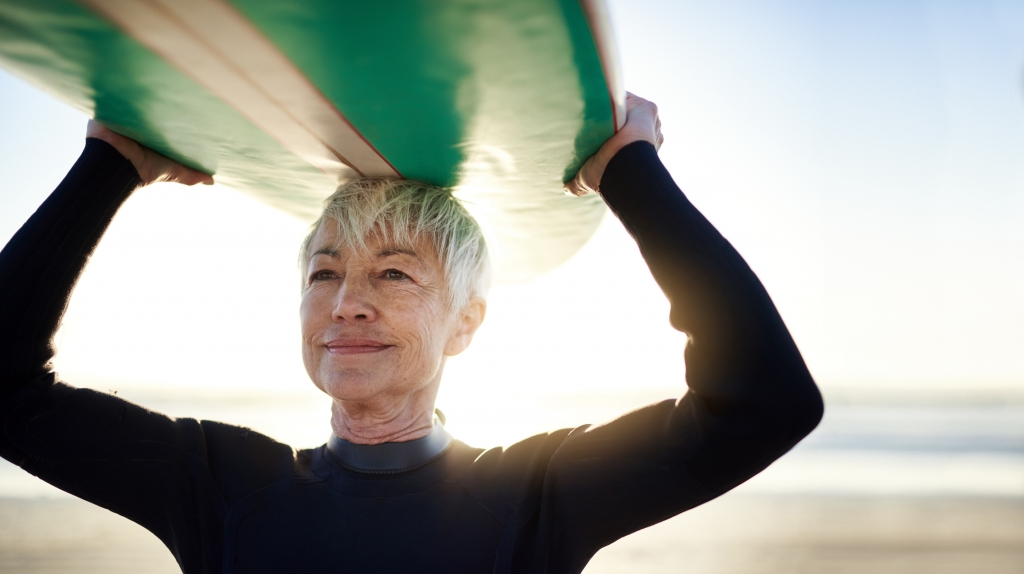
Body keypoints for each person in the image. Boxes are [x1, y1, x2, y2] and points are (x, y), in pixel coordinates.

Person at [0, 94, 823, 574]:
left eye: (394, 273)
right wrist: (105, 165)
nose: (348, 302)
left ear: (466, 322)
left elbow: (766, 403)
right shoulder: (219, 486)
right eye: (324, 274)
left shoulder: (538, 497)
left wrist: (631, 171)